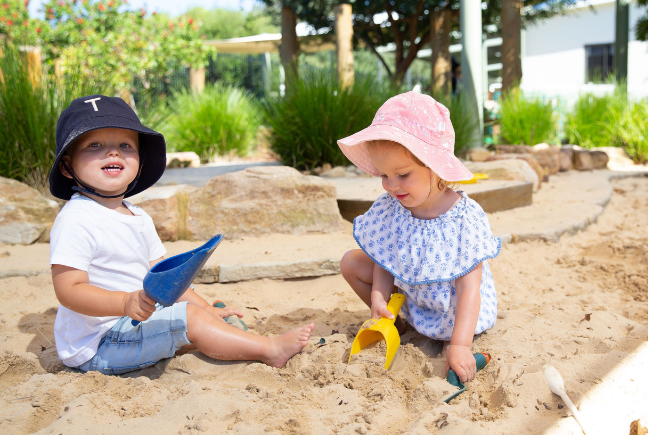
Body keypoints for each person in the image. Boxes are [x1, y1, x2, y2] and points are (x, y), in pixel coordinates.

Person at [48, 95, 314, 375]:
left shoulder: (137, 216)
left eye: (125, 145)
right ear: (67, 166)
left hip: (136, 324)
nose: (113, 153)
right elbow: (69, 291)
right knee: (189, 319)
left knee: (205, 314)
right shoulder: (76, 219)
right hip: (101, 344)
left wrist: (205, 307)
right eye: (95, 145)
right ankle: (269, 350)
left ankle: (211, 328)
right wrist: (124, 303)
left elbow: (165, 281)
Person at [338, 92, 501, 383]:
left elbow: (468, 290)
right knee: (351, 262)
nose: (391, 186)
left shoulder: (464, 217)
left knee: (458, 332)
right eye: (384, 175)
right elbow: (384, 259)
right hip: (414, 297)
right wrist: (378, 299)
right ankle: (396, 323)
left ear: (435, 167)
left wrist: (461, 345)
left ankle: (453, 339)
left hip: (453, 309)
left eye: (402, 174)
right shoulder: (392, 207)